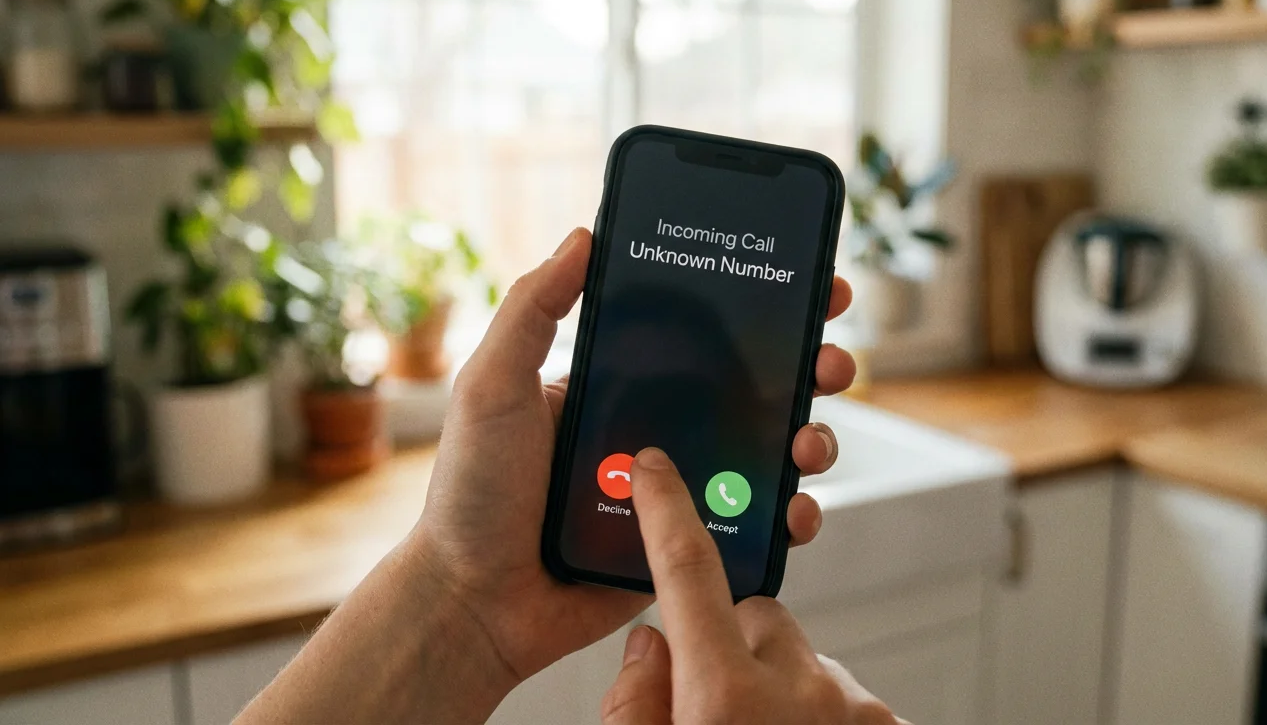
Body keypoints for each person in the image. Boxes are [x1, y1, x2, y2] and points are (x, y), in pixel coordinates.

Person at [237, 228, 907, 724]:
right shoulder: (532, 515)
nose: (656, 449)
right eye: (634, 405)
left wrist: (463, 602)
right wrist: (459, 590)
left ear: (739, 419)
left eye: (683, 402)